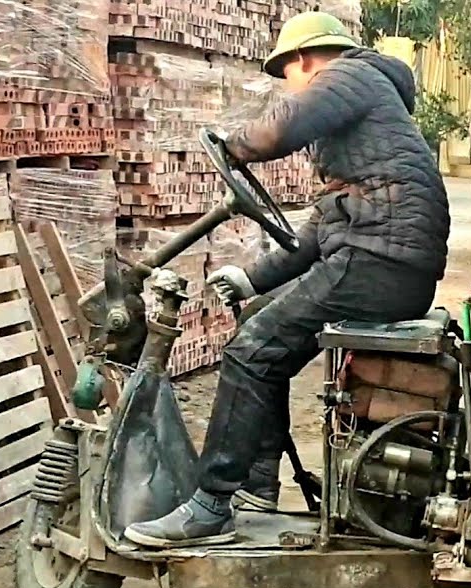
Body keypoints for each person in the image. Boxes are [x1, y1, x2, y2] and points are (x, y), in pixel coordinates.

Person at [124, 11, 451, 548]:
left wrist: (232, 144)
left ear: (304, 61)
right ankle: (257, 487)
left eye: (290, 75)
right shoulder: (366, 137)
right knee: (257, 328)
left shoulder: (351, 76)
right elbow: (320, 231)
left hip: (377, 264)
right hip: (384, 265)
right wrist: (250, 280)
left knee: (249, 352)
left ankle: (210, 506)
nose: (293, 85)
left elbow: (278, 129)